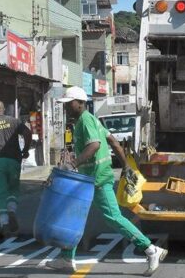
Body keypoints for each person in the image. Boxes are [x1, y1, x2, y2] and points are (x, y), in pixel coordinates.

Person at [46, 86, 168, 276]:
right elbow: (113, 142)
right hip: (89, 180)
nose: (66, 108)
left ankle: (150, 249)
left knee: (113, 217)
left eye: (68, 104)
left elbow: (95, 145)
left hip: (98, 180)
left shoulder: (85, 121)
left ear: (79, 103)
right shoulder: (91, 120)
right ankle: (66, 258)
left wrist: (74, 163)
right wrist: (126, 165)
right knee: (75, 217)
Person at [0, 101, 32, 238]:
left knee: (1, 192)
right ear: (4, 109)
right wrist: (25, 150)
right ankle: (12, 210)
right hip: (14, 161)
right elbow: (28, 133)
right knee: (13, 189)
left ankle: (4, 223)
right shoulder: (13, 121)